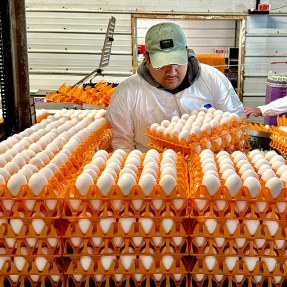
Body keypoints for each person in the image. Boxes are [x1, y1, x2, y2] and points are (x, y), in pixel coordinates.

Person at [106, 22, 245, 152]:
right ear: (147, 58)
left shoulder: (212, 79)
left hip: (209, 172)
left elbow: (235, 126)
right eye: (162, 64)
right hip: (154, 172)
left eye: (178, 62)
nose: (172, 72)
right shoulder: (127, 92)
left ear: (187, 52)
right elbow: (121, 147)